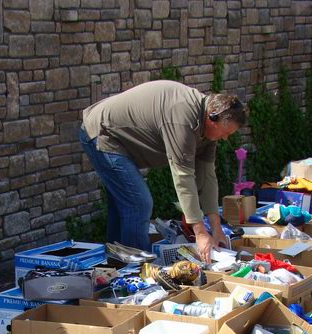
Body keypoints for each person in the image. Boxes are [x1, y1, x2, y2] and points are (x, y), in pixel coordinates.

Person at [79, 80, 245, 261]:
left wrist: (217, 229)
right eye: (225, 132)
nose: (225, 138)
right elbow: (183, 178)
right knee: (139, 203)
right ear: (212, 118)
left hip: (115, 138)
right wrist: (200, 233)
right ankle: (138, 271)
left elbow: (208, 177)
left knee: (124, 207)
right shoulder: (183, 120)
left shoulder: (207, 130)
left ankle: (116, 265)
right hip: (103, 134)